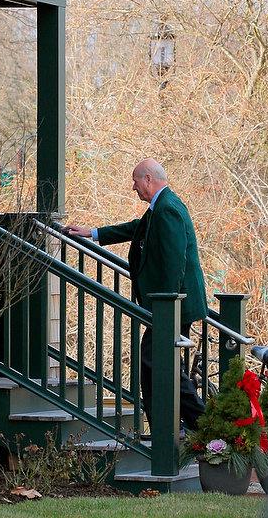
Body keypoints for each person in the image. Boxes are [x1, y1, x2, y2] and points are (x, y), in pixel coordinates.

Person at [66, 157, 207, 430]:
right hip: (173, 305)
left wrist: (166, 306)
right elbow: (135, 228)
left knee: (157, 363)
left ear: (148, 180)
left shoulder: (167, 209)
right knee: (162, 366)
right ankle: (174, 428)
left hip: (174, 305)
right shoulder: (160, 206)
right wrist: (92, 233)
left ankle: (199, 427)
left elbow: (174, 262)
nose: (133, 187)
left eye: (135, 180)